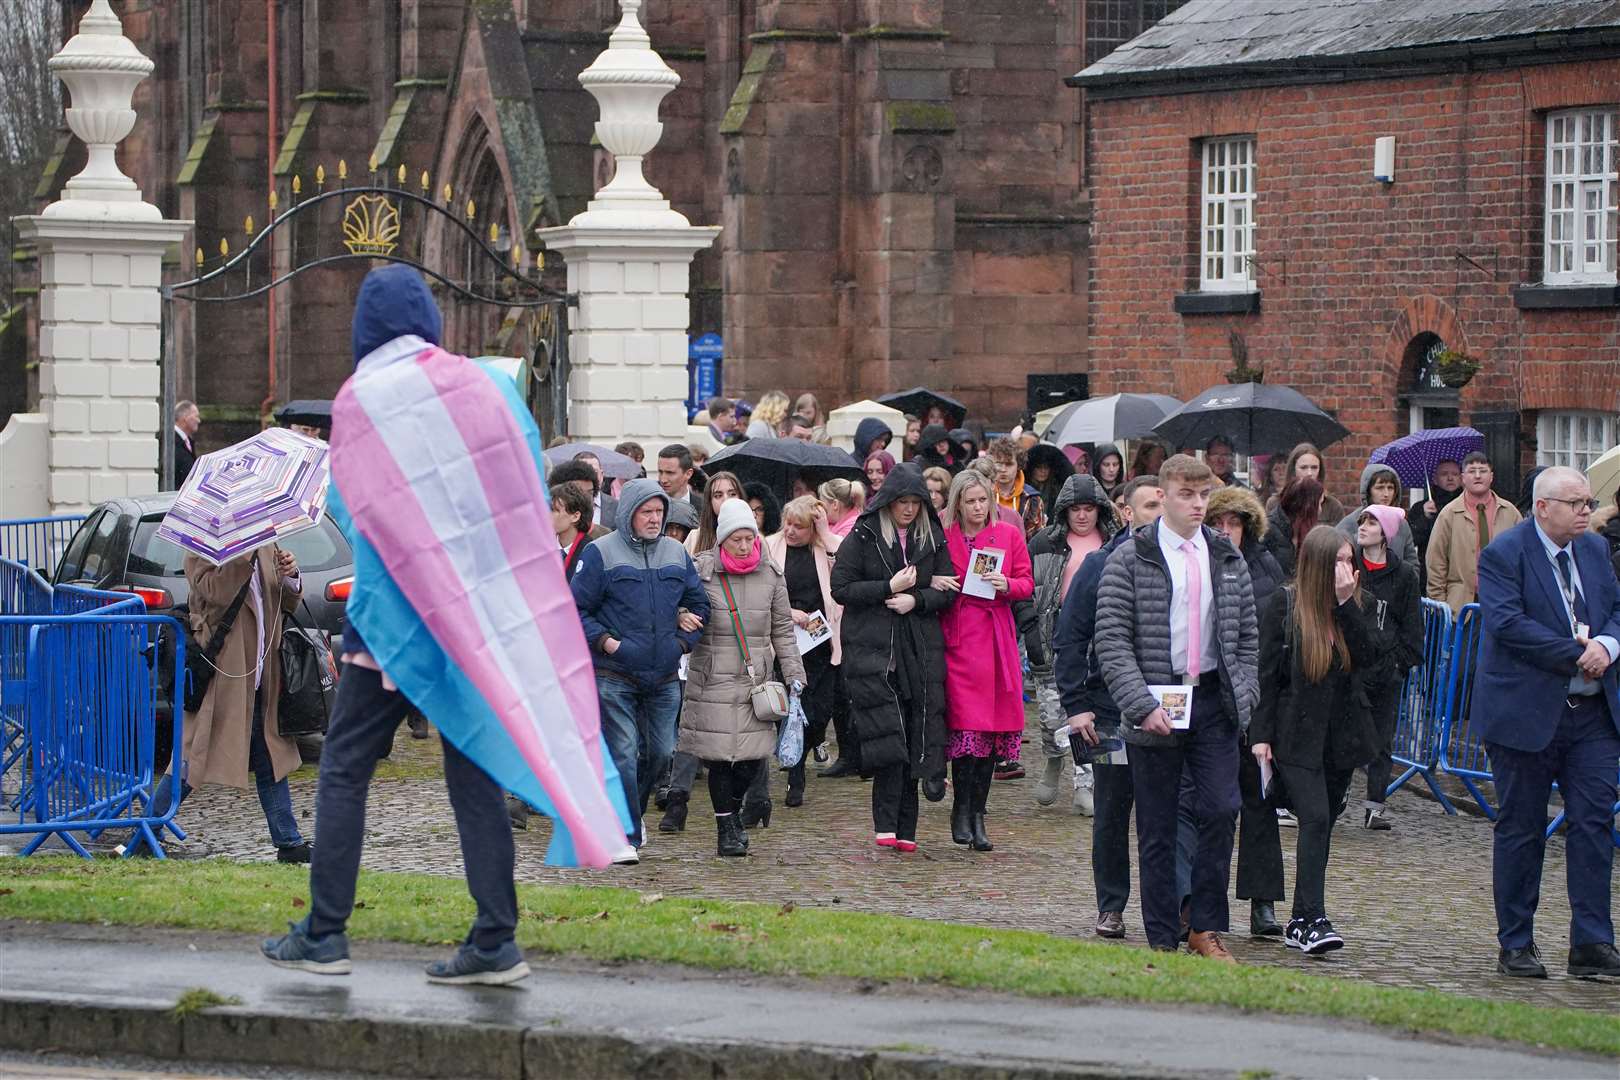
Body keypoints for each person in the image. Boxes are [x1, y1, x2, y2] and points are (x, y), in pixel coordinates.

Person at [264, 264, 633, 984]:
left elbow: (352, 510)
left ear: (364, 328)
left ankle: (325, 933)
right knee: (474, 770)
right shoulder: (487, 388)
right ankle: (495, 938)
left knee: (344, 770)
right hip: (472, 619)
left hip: (393, 621)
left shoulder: (362, 397)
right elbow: (522, 492)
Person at [1093, 455, 1259, 960]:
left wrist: (1244, 696)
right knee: (1158, 824)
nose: (1197, 505)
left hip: (1212, 698)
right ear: (1163, 496)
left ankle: (1205, 925)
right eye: (1187, 495)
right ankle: (1162, 934)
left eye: (1204, 495)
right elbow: (1112, 639)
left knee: (1221, 808)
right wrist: (1140, 704)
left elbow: (1247, 638)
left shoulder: (1226, 556)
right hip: (1156, 699)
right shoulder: (1131, 556)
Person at [1474, 466, 1620, 979]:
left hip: (1593, 714)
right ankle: (1516, 941)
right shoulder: (1504, 554)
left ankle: (1593, 942)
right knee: (1522, 828)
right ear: (1543, 507)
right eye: (1575, 503)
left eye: (1587, 502)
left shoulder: (1597, 551)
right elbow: (1507, 622)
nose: (1586, 510)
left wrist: (1607, 645)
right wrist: (1575, 655)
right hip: (1526, 713)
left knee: (1595, 823)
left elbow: (1616, 610)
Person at [1249, 526, 1376, 955]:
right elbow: (1267, 677)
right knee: (1315, 818)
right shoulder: (1284, 606)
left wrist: (1345, 607)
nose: (1346, 569)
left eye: (1350, 560)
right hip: (1295, 735)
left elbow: (1372, 657)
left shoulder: (1355, 606)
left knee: (1322, 826)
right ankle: (1310, 918)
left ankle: (1304, 915)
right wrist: (1261, 735)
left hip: (1339, 738)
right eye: (1337, 561)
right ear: (1318, 565)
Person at [571, 479, 710, 851]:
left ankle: (629, 814)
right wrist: (608, 642)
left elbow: (699, 605)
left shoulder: (676, 553)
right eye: (646, 512)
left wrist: (681, 642)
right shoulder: (600, 553)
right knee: (624, 752)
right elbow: (575, 609)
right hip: (614, 673)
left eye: (659, 512)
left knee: (662, 752)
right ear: (630, 513)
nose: (654, 519)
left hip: (663, 674)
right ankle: (626, 835)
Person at [147, 543, 308, 860]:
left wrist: (292, 577)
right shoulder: (200, 549)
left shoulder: (266, 545)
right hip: (225, 671)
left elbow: (283, 603)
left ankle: (289, 842)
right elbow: (218, 594)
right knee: (194, 754)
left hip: (263, 669)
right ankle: (148, 828)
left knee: (270, 753)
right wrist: (243, 558)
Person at [1053, 478, 1164, 938]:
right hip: (1106, 711)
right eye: (1150, 504)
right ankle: (1112, 905)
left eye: (1164, 503)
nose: (1159, 512)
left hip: (1166, 708)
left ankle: (1173, 906)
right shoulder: (1099, 565)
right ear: (1126, 510)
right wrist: (1076, 707)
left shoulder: (1186, 562)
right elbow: (1069, 638)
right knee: (1113, 810)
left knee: (1164, 814)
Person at [830, 462, 952, 851]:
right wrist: (887, 588)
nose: (909, 509)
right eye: (902, 502)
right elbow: (841, 587)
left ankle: (907, 830)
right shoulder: (865, 534)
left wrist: (915, 599)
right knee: (888, 741)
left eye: (916, 502)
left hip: (917, 650)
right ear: (889, 501)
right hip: (875, 652)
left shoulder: (931, 536)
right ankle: (885, 825)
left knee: (916, 736)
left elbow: (948, 589)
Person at [678, 499, 807, 856]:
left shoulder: (770, 574)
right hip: (712, 677)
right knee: (720, 759)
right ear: (722, 539)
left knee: (751, 760)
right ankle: (725, 828)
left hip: (756, 683)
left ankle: (732, 813)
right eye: (736, 538)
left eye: (750, 537)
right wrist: (681, 617)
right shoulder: (702, 571)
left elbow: (782, 628)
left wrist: (794, 671)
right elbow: (679, 605)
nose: (744, 544)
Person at [933, 470, 1034, 851]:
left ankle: (978, 812)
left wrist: (1008, 585)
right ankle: (961, 809)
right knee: (966, 733)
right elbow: (929, 578)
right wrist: (939, 583)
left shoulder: (1008, 535)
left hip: (996, 640)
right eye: (971, 501)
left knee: (990, 735)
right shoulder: (945, 538)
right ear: (957, 503)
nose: (978, 508)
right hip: (959, 638)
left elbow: (1026, 581)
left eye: (983, 500)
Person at [1205, 484, 1288, 934]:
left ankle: (1263, 903)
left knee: (1259, 805)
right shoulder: (1196, 563)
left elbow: (1276, 644)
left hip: (1254, 700)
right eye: (1218, 522)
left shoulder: (1266, 567)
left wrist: (1265, 715)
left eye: (1234, 522)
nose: (1225, 530)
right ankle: (1203, 904)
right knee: (1211, 810)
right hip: (1209, 701)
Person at [1027, 474, 1115, 813]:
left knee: (1088, 713)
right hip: (1053, 633)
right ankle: (1053, 758)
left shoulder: (1112, 543)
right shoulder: (1043, 544)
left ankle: (1085, 782)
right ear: (1064, 510)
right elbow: (1030, 592)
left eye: (1089, 509)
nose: (1082, 516)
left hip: (1099, 634)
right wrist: (1032, 634)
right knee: (1051, 714)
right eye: (1075, 509)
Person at [764, 496, 843, 805]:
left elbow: (845, 559)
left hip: (823, 641)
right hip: (785, 640)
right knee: (793, 710)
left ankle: (803, 749)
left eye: (799, 526)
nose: (791, 530)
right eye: (788, 523)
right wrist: (789, 613)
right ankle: (795, 776)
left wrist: (824, 531)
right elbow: (764, 593)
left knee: (820, 712)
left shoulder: (824, 549)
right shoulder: (772, 547)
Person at [1351, 504, 1424, 832]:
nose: (1363, 527)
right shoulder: (1349, 564)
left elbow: (1411, 623)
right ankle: (1336, 797)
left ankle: (1374, 807)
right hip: (1351, 666)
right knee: (1344, 734)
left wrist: (1400, 663)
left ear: (1387, 533)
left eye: (1371, 522)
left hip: (1387, 669)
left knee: (1382, 740)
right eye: (1362, 521)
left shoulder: (1404, 575)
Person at [1426, 451, 1522, 614]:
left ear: (1491, 476)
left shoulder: (1510, 512)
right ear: (1463, 478)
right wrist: (1440, 606)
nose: (1478, 476)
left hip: (1504, 603)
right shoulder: (1449, 513)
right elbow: (1436, 561)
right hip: (1461, 607)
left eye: (1483, 471)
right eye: (1472, 471)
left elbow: (1524, 555)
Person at [1335, 463, 1418, 569]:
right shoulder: (1349, 524)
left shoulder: (1401, 524)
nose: (1386, 494)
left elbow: (1412, 564)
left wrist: (1403, 581)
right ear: (1368, 491)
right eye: (1380, 488)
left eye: (1390, 488)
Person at [1406, 458, 1462, 582]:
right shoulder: (1421, 507)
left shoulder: (1468, 505)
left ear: (1462, 478)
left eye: (1455, 474)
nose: (1450, 478)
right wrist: (1424, 518)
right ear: (1435, 479)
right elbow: (1410, 540)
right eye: (1444, 474)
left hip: (1461, 570)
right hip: (1429, 572)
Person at [1268, 443, 1346, 523]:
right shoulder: (1276, 503)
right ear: (1293, 470)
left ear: (1320, 470)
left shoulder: (1332, 506)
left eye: (1314, 467)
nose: (1309, 473)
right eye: (1303, 467)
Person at [1264, 477, 1324, 579]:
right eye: (1319, 504)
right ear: (1307, 507)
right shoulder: (1267, 532)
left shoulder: (1307, 534)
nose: (1320, 510)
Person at [550, 460, 613, 541]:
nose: (585, 499)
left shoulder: (604, 536)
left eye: (590, 493)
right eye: (578, 493)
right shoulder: (542, 537)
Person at [687, 470, 745, 554]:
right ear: (710, 502)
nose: (726, 499)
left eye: (732, 494)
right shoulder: (695, 537)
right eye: (718, 496)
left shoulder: (755, 537)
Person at [987, 437, 1038, 521]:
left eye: (1009, 464)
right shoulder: (983, 493)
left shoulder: (1032, 498)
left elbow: (1036, 532)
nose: (1003, 469)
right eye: (999, 463)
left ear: (1019, 465)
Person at [553, 482, 594, 582]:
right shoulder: (542, 546)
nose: (548, 515)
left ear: (575, 516)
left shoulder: (591, 551)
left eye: (556, 510)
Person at [1024, 443, 1076, 522]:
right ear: (1032, 469)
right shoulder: (1024, 491)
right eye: (1039, 467)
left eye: (1046, 467)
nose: (1043, 471)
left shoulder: (1058, 490)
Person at [574, 451, 618, 529]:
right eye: (583, 473)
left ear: (602, 475)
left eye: (594, 472)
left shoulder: (616, 506)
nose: (590, 477)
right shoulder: (563, 506)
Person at [656, 443, 704, 512]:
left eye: (670, 473)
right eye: (660, 472)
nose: (663, 480)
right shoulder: (649, 505)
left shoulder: (705, 508)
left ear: (688, 474)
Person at [173, 399, 200, 485]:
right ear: (185, 417)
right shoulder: (170, 442)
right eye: (196, 416)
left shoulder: (187, 442)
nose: (199, 421)